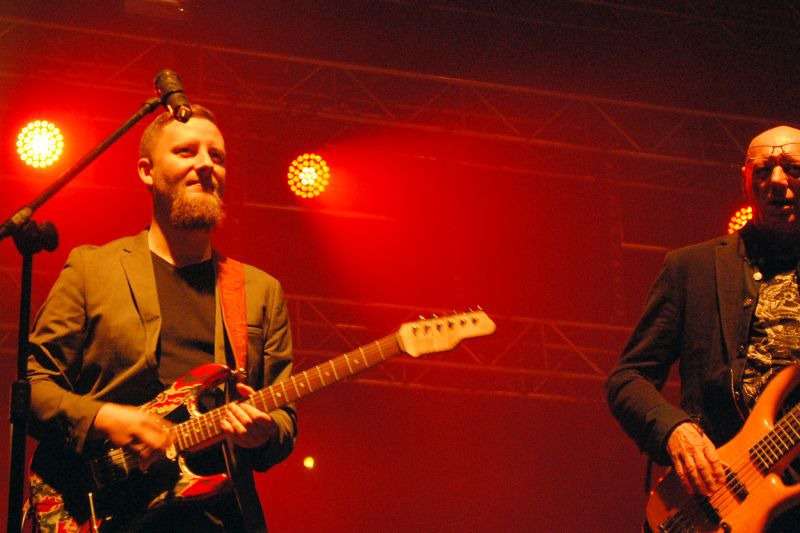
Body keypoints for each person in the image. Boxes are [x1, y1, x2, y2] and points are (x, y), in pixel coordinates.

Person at [26, 105, 296, 532]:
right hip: (99, 512)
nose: (206, 164)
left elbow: (283, 419)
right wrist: (105, 418)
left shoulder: (260, 292)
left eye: (217, 155)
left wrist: (264, 433)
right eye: (187, 151)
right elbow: (33, 389)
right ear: (146, 171)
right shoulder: (93, 270)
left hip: (216, 518)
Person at [606, 125, 800, 532]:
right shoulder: (692, 268)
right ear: (745, 179)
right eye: (763, 170)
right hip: (713, 503)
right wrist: (673, 430)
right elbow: (628, 379)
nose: (777, 181)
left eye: (792, 168)